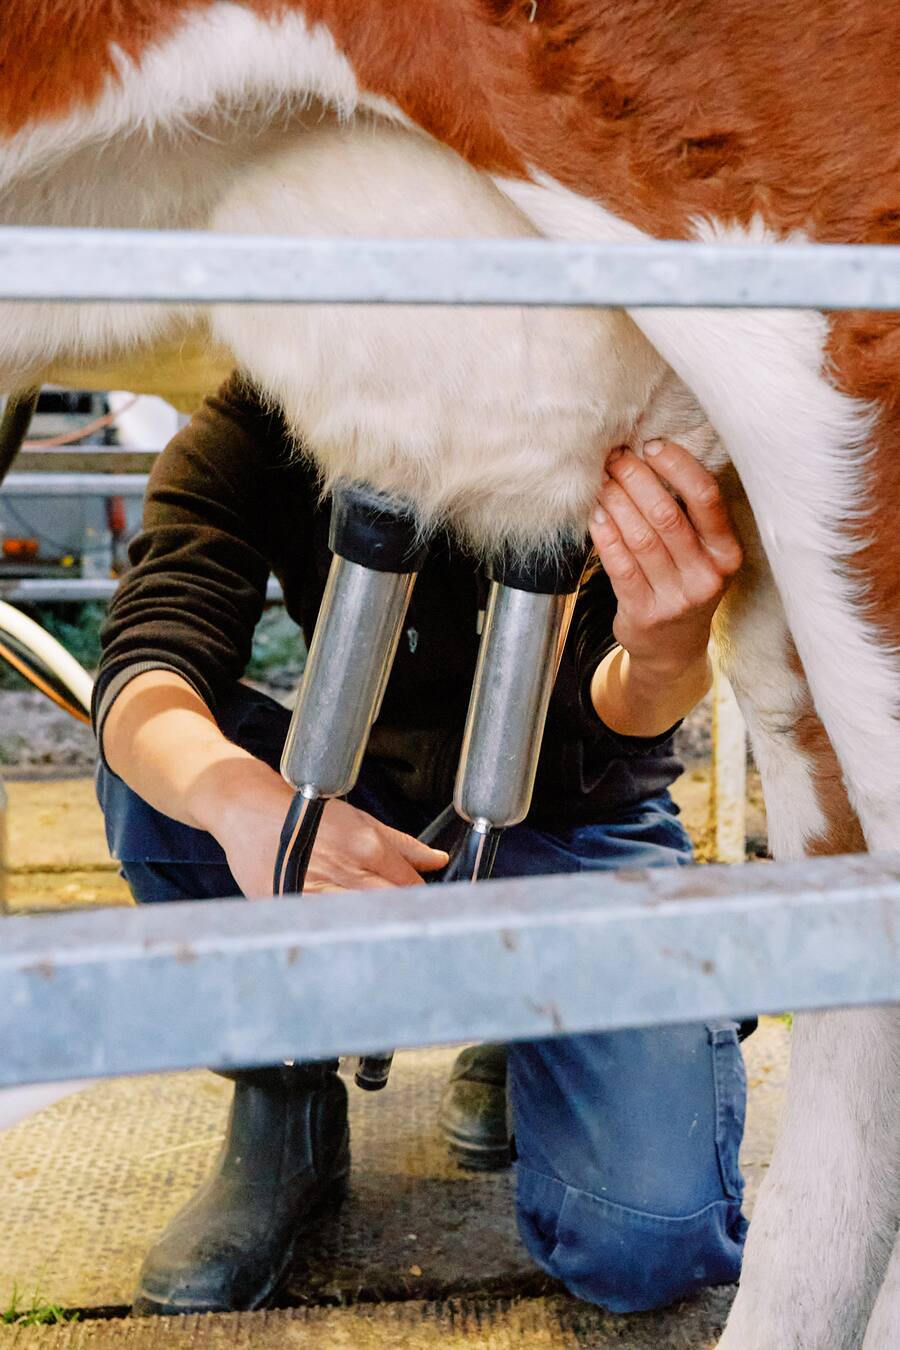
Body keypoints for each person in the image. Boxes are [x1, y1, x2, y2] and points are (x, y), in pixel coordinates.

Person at [95, 373, 747, 1318]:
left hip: (573, 819)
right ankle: (284, 1099)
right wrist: (246, 805)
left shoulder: (618, 405)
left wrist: (667, 651)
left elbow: (610, 718)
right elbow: (147, 659)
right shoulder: (273, 404)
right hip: (358, 798)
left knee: (647, 1246)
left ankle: (533, 1033)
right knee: (170, 771)